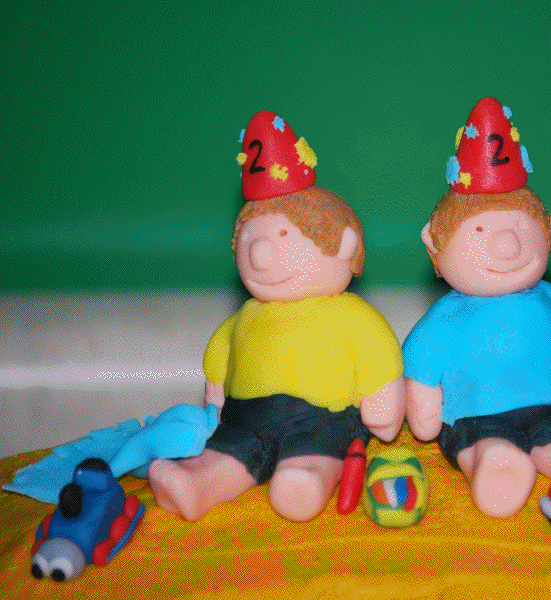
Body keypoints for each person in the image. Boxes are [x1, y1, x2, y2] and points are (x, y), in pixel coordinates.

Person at [149, 111, 404, 522]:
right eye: (253, 238)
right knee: (231, 452)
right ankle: (197, 483)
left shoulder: (348, 315)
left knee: (312, 451)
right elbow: (220, 362)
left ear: (344, 244)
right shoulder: (242, 319)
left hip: (321, 415)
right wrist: (216, 402)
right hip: (247, 415)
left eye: (284, 236)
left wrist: (383, 404)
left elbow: (379, 354)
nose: (261, 254)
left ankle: (305, 479)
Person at [403, 98, 551, 518]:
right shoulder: (447, 317)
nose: (507, 246)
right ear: (434, 243)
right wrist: (425, 413)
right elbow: (421, 368)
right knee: (486, 443)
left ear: (550, 232)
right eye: (480, 231)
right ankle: (492, 464)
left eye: (521, 229)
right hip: (476, 418)